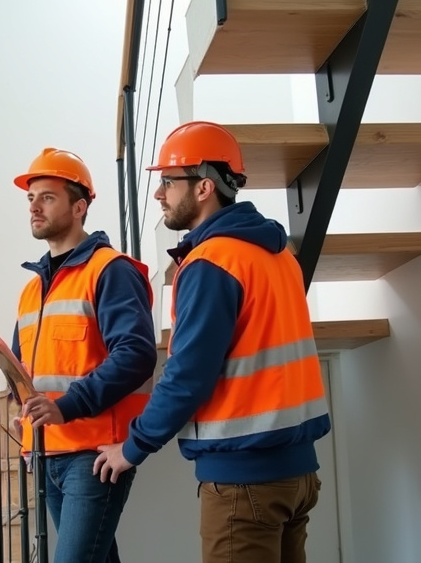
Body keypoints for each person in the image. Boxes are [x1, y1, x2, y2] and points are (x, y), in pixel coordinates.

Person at [92, 122, 332, 563]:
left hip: (245, 483)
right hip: (299, 474)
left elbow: (188, 375)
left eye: (168, 181)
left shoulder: (212, 262)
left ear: (203, 187)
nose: (159, 194)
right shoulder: (278, 254)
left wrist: (133, 446)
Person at [9, 147, 158, 563]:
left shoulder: (110, 270)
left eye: (48, 197)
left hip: (93, 456)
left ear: (79, 207)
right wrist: (22, 431)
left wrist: (68, 406)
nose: (34, 207)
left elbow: (135, 354)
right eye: (30, 198)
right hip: (44, 452)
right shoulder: (32, 288)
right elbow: (20, 370)